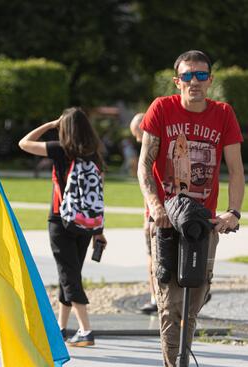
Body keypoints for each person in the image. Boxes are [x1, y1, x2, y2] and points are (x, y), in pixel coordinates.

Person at [138, 50, 244, 367]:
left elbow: (234, 168)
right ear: (177, 81)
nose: (195, 83)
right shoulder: (162, 109)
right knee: (170, 306)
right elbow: (145, 164)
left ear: (210, 80)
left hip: (204, 224)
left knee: (193, 306)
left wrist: (232, 211)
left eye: (202, 76)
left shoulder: (223, 114)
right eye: (188, 77)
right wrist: (155, 205)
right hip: (167, 221)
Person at [18, 108, 107, 347]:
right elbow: (96, 195)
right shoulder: (94, 155)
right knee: (70, 273)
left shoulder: (60, 149)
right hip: (86, 224)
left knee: (69, 275)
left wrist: (49, 124)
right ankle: (60, 329)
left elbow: (24, 143)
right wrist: (98, 231)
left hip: (61, 219)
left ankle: (86, 330)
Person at [129, 113, 158, 314]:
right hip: (153, 210)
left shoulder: (149, 154)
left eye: (138, 134)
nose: (138, 140)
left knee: (153, 257)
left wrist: (147, 216)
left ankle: (155, 298)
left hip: (154, 214)